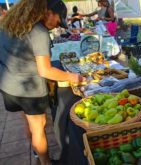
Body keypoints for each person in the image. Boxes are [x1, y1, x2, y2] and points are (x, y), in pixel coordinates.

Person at [0, 0, 85, 164]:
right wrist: (74, 77)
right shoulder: (39, 31)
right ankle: (46, 162)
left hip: (8, 86)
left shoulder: (10, 24)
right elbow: (45, 70)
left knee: (29, 123)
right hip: (28, 90)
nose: (57, 25)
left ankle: (38, 156)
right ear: (48, 12)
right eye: (58, 20)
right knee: (39, 127)